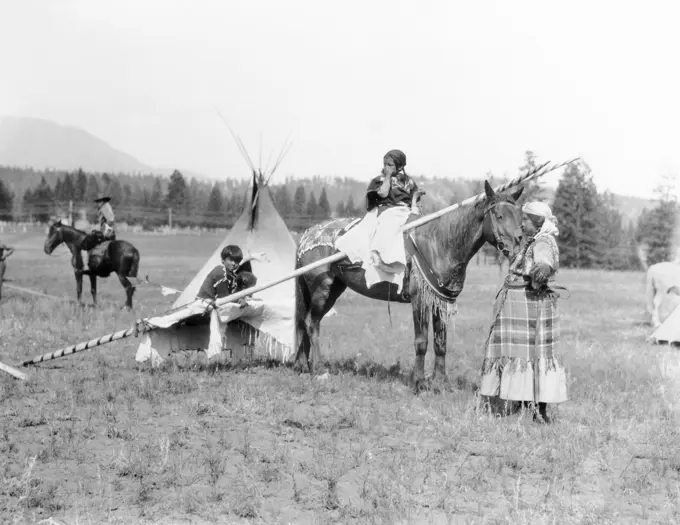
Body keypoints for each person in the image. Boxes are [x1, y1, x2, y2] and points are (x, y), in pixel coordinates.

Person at [479, 201, 567, 423]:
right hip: (520, 307)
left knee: (532, 355)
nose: (523, 222)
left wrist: (543, 270)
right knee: (524, 355)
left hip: (529, 308)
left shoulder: (544, 242)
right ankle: (522, 401)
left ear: (537, 223)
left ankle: (537, 409)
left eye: (527, 219)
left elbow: (544, 263)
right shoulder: (534, 241)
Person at [336, 149, 425, 280]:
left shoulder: (409, 182)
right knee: (390, 223)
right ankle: (382, 259)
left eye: (390, 165)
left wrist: (415, 197)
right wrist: (388, 176)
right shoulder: (380, 180)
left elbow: (414, 204)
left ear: (400, 166)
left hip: (405, 212)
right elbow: (383, 194)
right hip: (387, 211)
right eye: (385, 164)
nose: (386, 167)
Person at [197, 245, 265, 307]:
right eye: (231, 260)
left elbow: (241, 262)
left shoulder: (230, 273)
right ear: (223, 260)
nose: (233, 264)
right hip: (203, 305)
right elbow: (224, 299)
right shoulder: (221, 272)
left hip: (213, 303)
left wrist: (252, 256)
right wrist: (240, 301)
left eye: (236, 261)